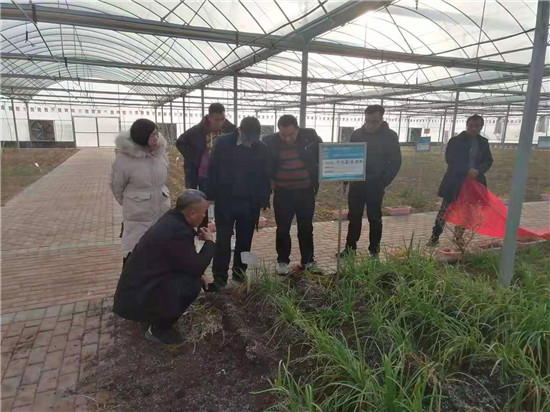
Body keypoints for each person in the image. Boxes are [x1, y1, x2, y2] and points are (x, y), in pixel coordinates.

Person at [113, 190, 215, 345]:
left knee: (191, 278)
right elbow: (195, 267)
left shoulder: (172, 220)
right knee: (191, 285)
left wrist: (201, 274)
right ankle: (159, 330)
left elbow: (183, 261)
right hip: (138, 297)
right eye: (204, 212)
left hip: (137, 291)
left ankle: (155, 314)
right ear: (192, 213)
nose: (204, 216)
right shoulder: (178, 231)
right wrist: (209, 243)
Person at [205, 117, 271, 291]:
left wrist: (264, 198)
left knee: (245, 240)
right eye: (247, 139)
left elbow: (265, 175)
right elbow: (212, 169)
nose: (250, 143)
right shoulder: (222, 143)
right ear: (239, 130)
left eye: (253, 139)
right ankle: (219, 277)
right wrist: (210, 195)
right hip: (226, 201)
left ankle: (240, 273)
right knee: (223, 240)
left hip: (250, 203)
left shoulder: (261, 147)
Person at [339, 105, 402, 258]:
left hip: (375, 184)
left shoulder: (389, 136)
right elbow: (349, 158)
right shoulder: (357, 134)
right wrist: (345, 181)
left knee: (374, 218)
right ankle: (350, 248)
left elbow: (396, 161)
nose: (370, 125)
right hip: (357, 183)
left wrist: (383, 181)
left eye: (374, 122)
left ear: (381, 119)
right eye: (367, 121)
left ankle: (374, 251)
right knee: (354, 217)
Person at [263, 115, 323, 275]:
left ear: (297, 129)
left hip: (305, 192)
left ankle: (308, 261)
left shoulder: (310, 137)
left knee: (306, 227)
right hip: (283, 193)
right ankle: (283, 261)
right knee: (283, 229)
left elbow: (323, 154)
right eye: (283, 135)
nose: (288, 138)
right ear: (278, 130)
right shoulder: (270, 142)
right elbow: (265, 164)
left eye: (291, 134)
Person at [110, 118, 171, 266]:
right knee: (134, 252)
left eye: (157, 134)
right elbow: (117, 187)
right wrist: (132, 201)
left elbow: (164, 180)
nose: (156, 138)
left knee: (159, 252)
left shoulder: (160, 154)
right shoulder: (124, 159)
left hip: (161, 210)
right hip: (137, 215)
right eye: (151, 135)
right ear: (141, 136)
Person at [427, 114, 493, 246]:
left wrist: (478, 170)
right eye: (471, 126)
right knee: (445, 209)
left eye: (477, 126)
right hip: (455, 181)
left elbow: (488, 160)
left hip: (474, 182)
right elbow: (451, 159)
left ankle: (459, 236)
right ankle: (435, 237)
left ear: (481, 127)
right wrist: (467, 170)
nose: (474, 129)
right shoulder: (456, 141)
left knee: (467, 210)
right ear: (467, 125)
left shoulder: (483, 142)